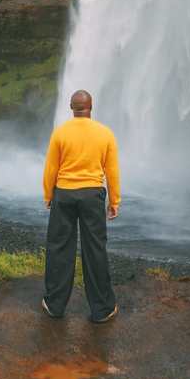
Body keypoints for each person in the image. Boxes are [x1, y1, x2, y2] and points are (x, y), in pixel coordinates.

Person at [42, 89, 120, 323]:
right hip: (92, 196)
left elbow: (51, 169)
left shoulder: (60, 133)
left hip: (64, 194)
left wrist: (48, 196)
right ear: (91, 107)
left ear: (71, 107)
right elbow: (112, 171)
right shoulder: (105, 133)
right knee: (94, 249)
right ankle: (103, 309)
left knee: (59, 249)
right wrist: (114, 201)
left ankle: (54, 305)